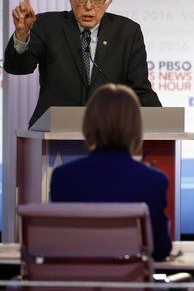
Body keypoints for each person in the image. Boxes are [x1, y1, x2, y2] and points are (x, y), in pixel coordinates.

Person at [4, 0, 161, 127]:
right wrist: (22, 35)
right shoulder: (47, 25)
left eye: (96, 0)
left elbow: (140, 89)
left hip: (109, 132)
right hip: (53, 131)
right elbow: (18, 68)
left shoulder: (127, 32)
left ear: (108, 2)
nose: (88, 6)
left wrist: (162, 123)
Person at [50, 83, 172, 261]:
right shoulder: (154, 181)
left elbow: (61, 246)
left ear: (88, 124)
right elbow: (161, 250)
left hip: (77, 283)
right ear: (136, 127)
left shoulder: (62, 178)